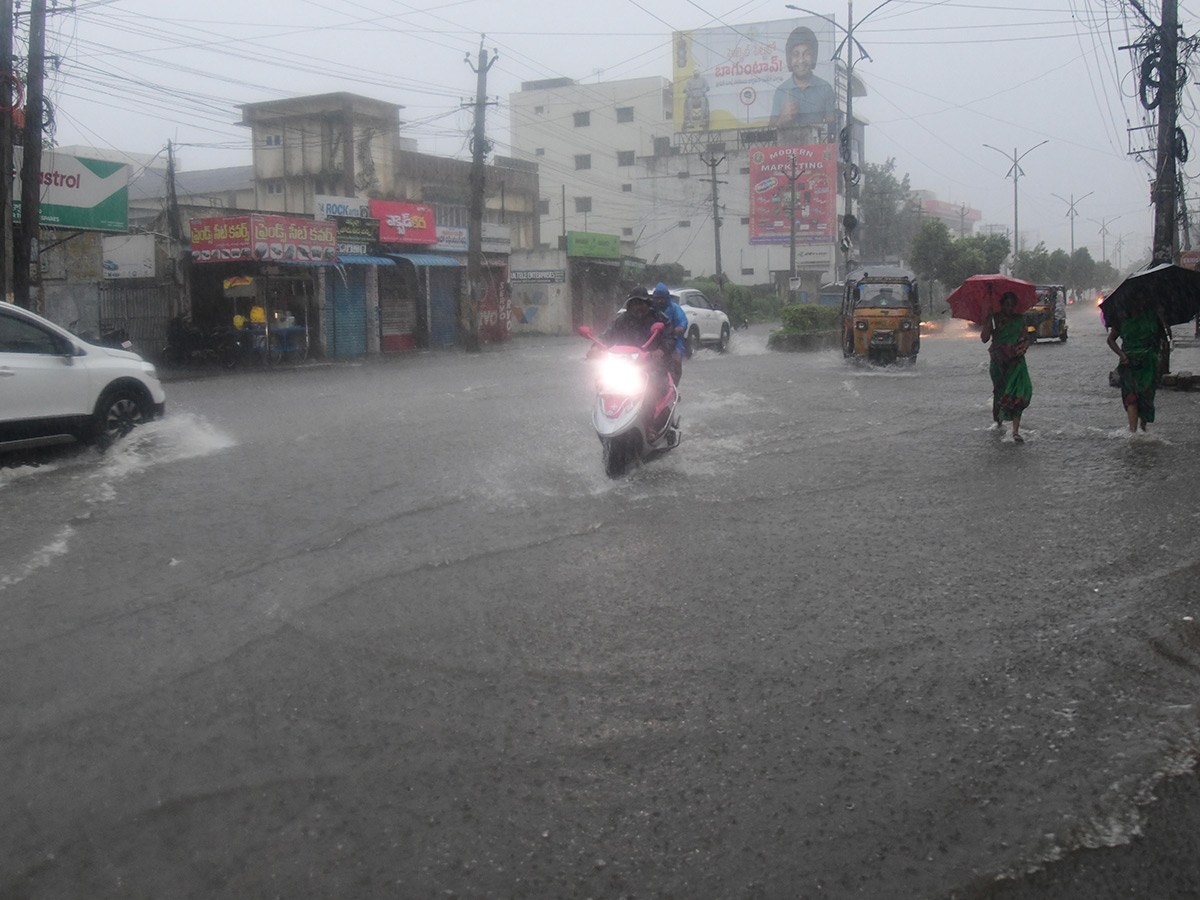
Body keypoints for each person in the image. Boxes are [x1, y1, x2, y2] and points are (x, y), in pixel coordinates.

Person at [1107, 289, 1169, 432]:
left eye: (1143, 300)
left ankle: (1143, 426)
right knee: (1131, 397)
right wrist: (1122, 355)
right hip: (1128, 363)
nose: (1140, 304)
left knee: (1146, 396)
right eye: (1137, 300)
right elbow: (1110, 340)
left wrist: (1162, 318)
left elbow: (1164, 336)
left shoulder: (1152, 317)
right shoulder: (1122, 318)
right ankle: (1133, 431)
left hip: (1148, 363)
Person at [980, 291, 1032, 442]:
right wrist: (989, 318)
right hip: (999, 364)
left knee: (1018, 393)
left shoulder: (1019, 320)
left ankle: (1015, 431)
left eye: (1012, 305)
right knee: (1000, 394)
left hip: (1016, 363)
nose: (1009, 308)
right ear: (1001, 305)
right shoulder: (995, 319)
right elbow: (984, 339)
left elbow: (1025, 339)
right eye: (1006, 305)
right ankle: (998, 424)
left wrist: (1018, 351)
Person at [768, 26, 836, 143]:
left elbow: (832, 131)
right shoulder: (780, 91)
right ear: (789, 58)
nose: (801, 60)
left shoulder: (825, 88)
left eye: (806, 54)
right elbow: (768, 136)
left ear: (814, 56)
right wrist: (783, 118)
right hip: (785, 156)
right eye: (796, 54)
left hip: (816, 156)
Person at [651, 283, 688, 386]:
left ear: (667, 298)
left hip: (674, 343)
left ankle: (674, 387)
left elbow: (682, 322)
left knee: (676, 362)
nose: (659, 301)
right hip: (652, 342)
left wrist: (678, 329)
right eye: (657, 298)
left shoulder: (675, 309)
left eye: (662, 298)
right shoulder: (650, 310)